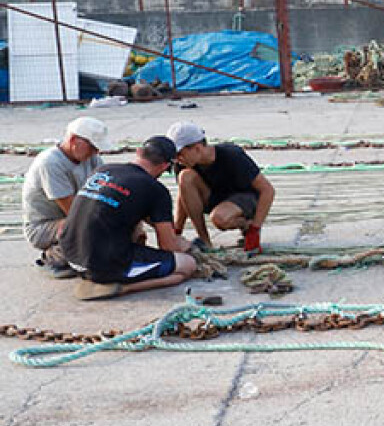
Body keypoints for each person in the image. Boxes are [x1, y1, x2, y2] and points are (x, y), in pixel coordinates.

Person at [60, 135, 197, 301]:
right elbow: (167, 247)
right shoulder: (156, 190)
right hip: (102, 265)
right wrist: (183, 245)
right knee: (186, 266)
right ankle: (120, 287)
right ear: (165, 166)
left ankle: (107, 272)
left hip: (71, 256)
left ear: (139, 152)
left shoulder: (102, 170)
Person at [167, 122, 275, 255]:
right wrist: (177, 231)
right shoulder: (183, 164)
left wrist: (254, 230)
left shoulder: (232, 155)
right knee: (185, 177)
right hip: (215, 197)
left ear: (197, 148)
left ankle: (246, 225)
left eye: (180, 154)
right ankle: (204, 240)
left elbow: (267, 190)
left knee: (220, 218)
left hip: (244, 197)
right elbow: (183, 195)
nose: (178, 159)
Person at [21, 117, 109, 277]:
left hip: (77, 215)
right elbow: (74, 211)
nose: (96, 152)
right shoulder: (50, 163)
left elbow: (103, 193)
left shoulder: (93, 159)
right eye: (92, 147)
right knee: (94, 233)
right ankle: (54, 256)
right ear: (74, 140)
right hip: (44, 227)